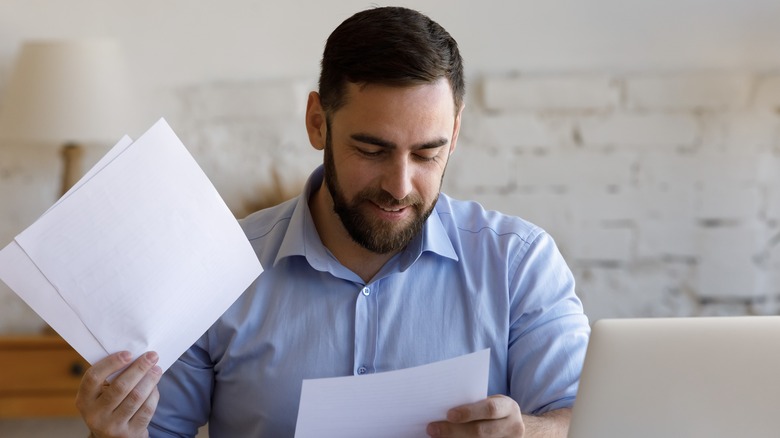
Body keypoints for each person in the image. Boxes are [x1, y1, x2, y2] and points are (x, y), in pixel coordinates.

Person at [76, 6, 590, 438]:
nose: (400, 184)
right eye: (372, 149)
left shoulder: (519, 264)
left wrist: (532, 432)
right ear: (317, 122)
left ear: (454, 133)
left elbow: (588, 421)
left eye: (428, 154)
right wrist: (114, 431)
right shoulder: (219, 268)